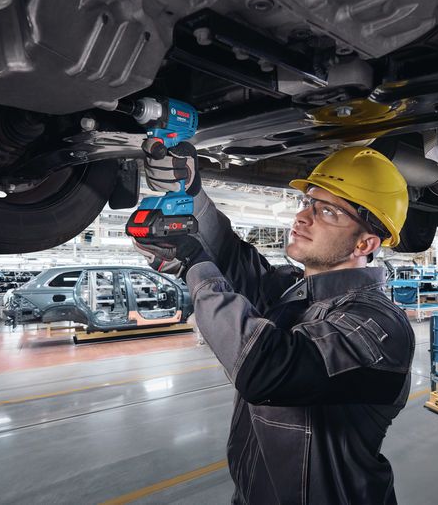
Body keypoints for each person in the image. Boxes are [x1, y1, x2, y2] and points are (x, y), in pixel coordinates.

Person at [134, 144, 415, 504]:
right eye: (307, 203)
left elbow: (266, 371)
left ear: (366, 243)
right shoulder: (292, 293)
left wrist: (193, 263)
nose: (303, 217)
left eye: (327, 211)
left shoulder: (380, 323)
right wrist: (188, 190)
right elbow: (231, 256)